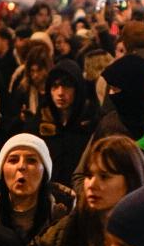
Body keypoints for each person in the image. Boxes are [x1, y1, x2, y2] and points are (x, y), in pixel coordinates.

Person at [34, 134, 144, 246]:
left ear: (131, 179)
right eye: (89, 175)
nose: (91, 184)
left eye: (104, 176)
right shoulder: (64, 235)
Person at [0, 133, 74, 246]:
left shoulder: (66, 221)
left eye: (31, 160)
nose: (21, 166)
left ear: (45, 171)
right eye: (13, 160)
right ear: (2, 170)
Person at [37, 59, 99, 187]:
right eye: (55, 87)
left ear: (77, 88)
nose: (60, 93)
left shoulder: (91, 121)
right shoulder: (40, 120)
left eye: (66, 86)